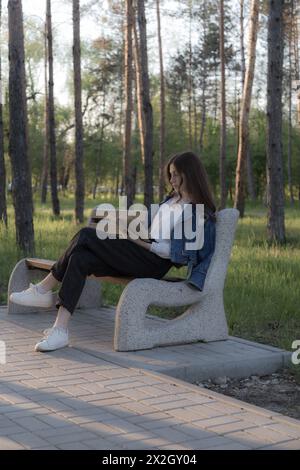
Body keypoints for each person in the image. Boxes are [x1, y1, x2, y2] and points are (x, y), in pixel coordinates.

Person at [10, 151, 217, 352]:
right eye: (169, 174)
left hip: (153, 262)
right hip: (140, 252)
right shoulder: (171, 201)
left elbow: (174, 254)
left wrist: (136, 240)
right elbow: (153, 231)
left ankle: (43, 289)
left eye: (175, 175)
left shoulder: (197, 212)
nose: (171, 179)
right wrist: (127, 231)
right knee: (80, 258)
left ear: (189, 175)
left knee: (86, 235)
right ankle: (60, 330)